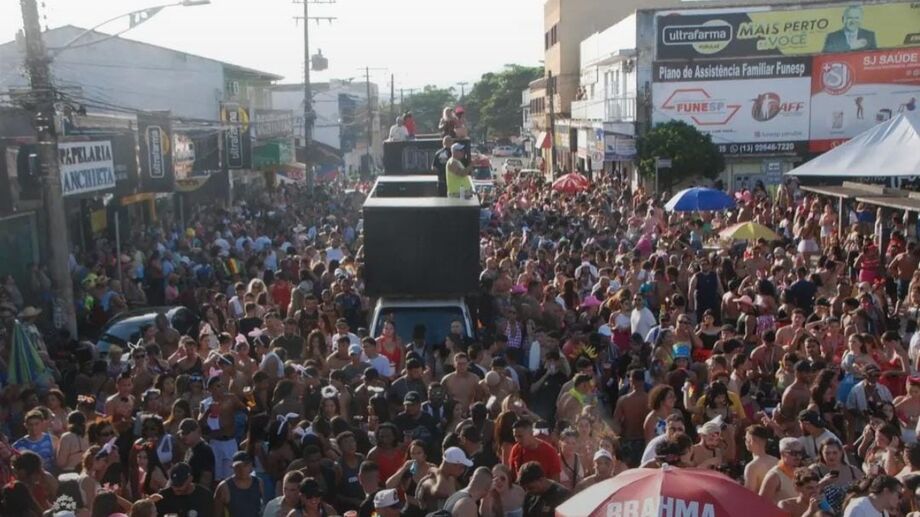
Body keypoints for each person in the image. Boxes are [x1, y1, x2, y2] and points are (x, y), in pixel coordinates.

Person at [214, 452, 263, 517]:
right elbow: (217, 513)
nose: (242, 470)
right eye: (237, 466)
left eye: (245, 465)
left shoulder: (258, 483)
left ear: (251, 466)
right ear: (233, 467)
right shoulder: (224, 487)